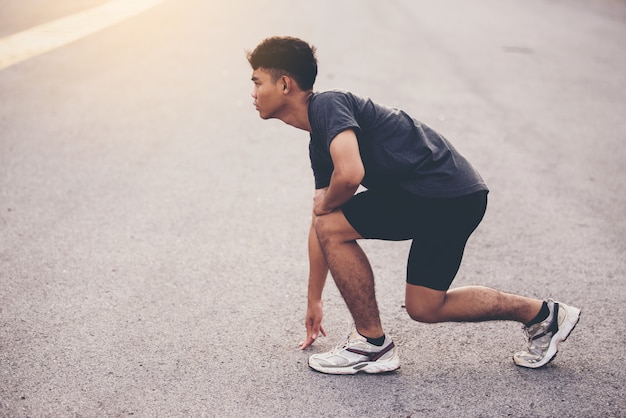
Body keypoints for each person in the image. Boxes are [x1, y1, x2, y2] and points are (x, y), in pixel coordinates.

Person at [247, 36, 581, 375]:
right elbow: (320, 218)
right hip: (451, 197)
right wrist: (314, 299)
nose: (253, 93)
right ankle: (543, 315)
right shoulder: (320, 141)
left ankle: (371, 344)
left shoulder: (327, 106)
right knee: (425, 306)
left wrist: (325, 203)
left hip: (440, 191)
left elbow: (349, 176)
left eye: (258, 82)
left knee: (330, 222)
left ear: (285, 84)